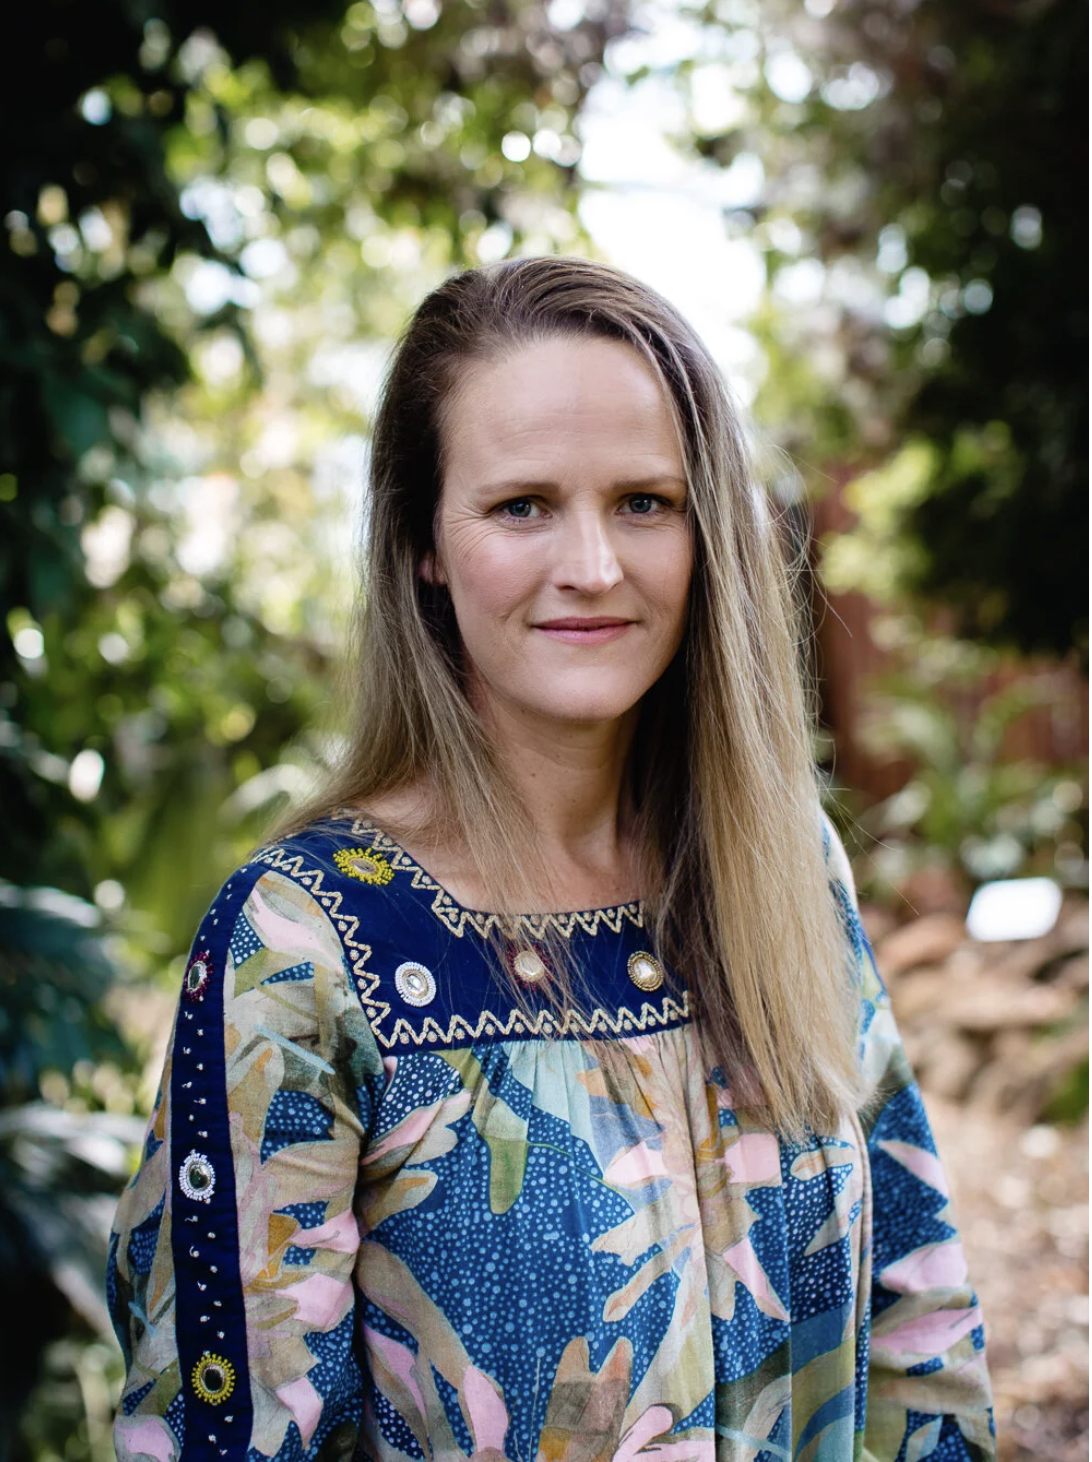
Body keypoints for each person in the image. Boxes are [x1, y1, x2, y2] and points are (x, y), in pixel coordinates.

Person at [107, 257, 995, 1460]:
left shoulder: (784, 870)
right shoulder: (302, 949)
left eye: (645, 501)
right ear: (424, 542)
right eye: (522, 504)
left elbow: (918, 1338)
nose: (593, 565)